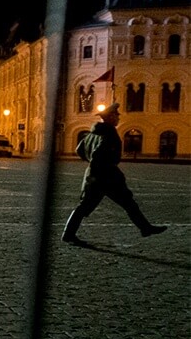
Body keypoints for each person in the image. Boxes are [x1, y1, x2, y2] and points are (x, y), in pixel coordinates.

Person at [62, 103, 166, 245]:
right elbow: (99, 154)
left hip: (95, 175)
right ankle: (68, 235)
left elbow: (79, 149)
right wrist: (103, 164)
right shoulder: (109, 133)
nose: (118, 118)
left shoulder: (93, 133)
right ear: (110, 117)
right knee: (122, 203)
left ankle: (145, 228)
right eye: (116, 115)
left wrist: (91, 162)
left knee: (122, 203)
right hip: (106, 176)